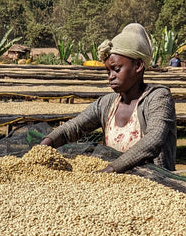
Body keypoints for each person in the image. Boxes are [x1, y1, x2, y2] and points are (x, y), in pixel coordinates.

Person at [40, 23, 176, 173]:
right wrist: (45, 145)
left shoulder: (159, 97)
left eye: (117, 69)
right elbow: (74, 127)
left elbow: (153, 140)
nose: (111, 76)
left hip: (155, 184)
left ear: (138, 65)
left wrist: (111, 169)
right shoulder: (107, 103)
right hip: (113, 183)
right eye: (108, 71)